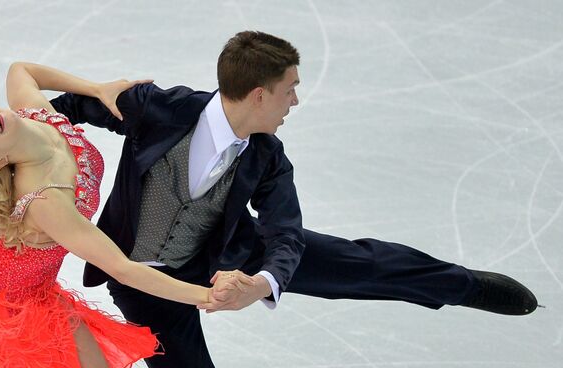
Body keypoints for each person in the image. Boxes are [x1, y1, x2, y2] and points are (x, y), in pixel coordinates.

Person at [49, 31, 539, 368]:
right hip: (143, 280)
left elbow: (283, 231)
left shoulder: (267, 155)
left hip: (234, 252)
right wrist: (31, 159)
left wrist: (262, 283)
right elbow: (61, 110)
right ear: (259, 94)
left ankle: (465, 286)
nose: (295, 103)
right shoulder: (160, 108)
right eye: (290, 90)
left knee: (362, 263)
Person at [0, 62, 239, 368]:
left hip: (32, 287)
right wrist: (208, 296)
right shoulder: (46, 202)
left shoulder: (39, 117)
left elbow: (20, 70)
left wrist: (98, 89)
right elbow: (122, 268)